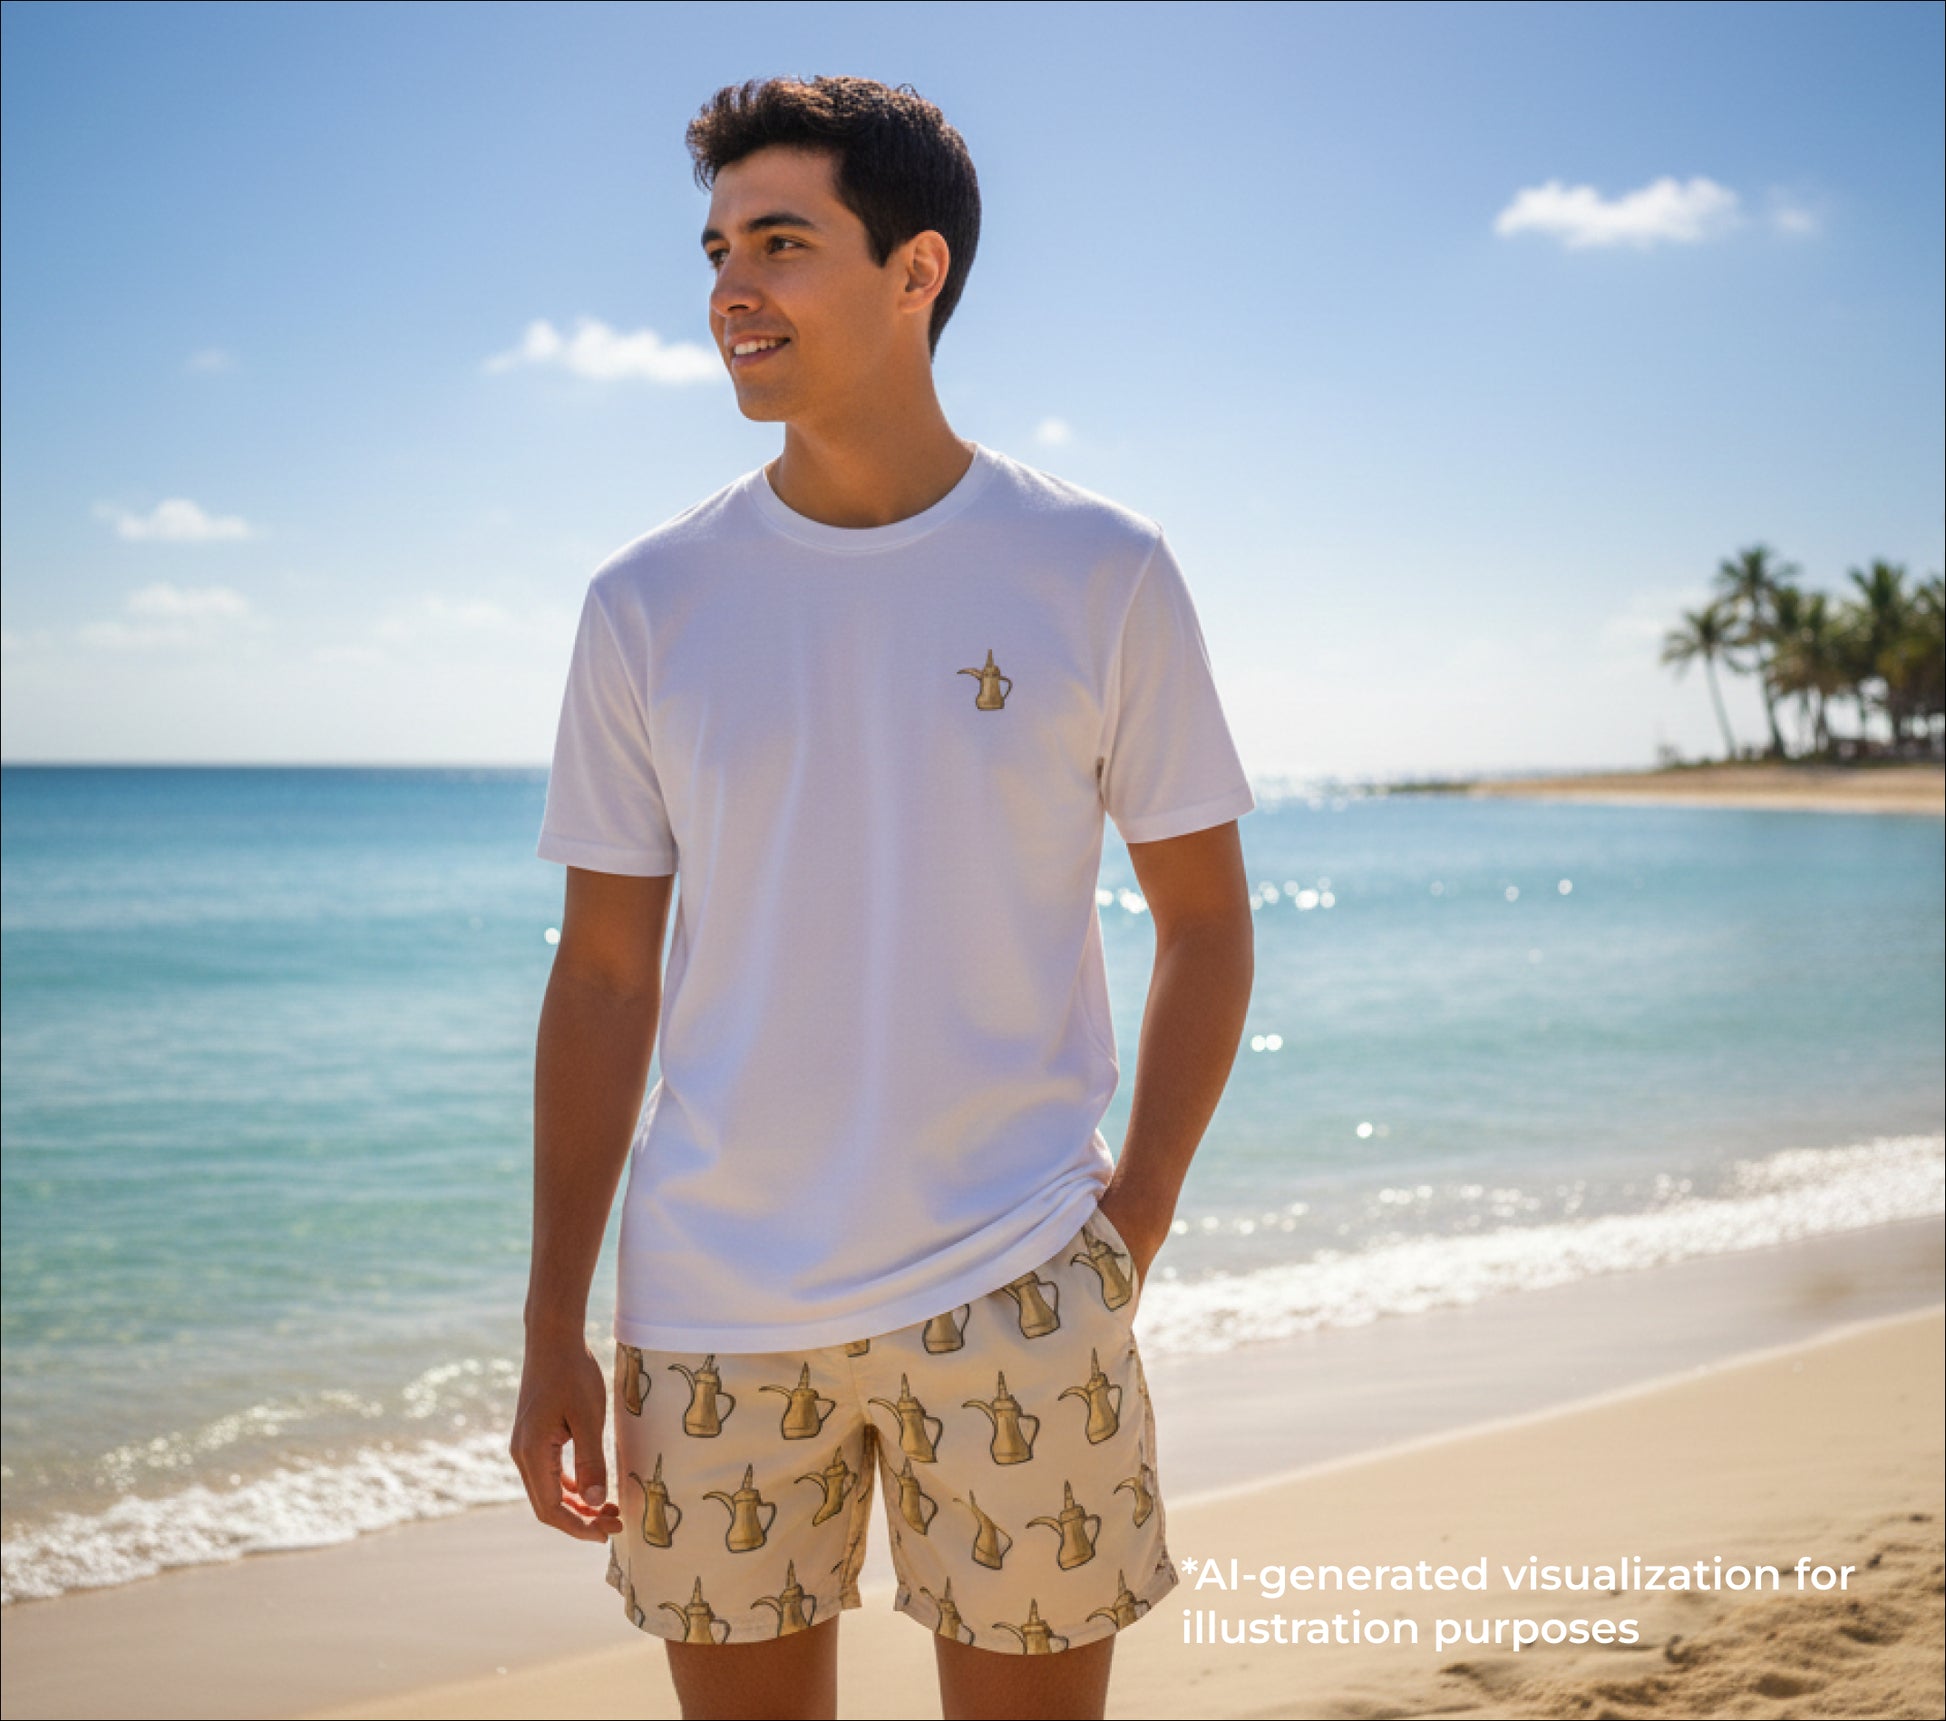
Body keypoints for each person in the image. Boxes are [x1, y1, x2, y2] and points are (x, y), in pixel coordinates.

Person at [510, 74, 1256, 1721]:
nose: (731, 287)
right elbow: (605, 976)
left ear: (917, 271)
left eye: (781, 242)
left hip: (1017, 1276)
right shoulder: (646, 600)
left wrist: (1130, 1223)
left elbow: (1204, 918)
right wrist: (554, 1318)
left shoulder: (1098, 568)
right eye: (715, 249)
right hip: (710, 1315)